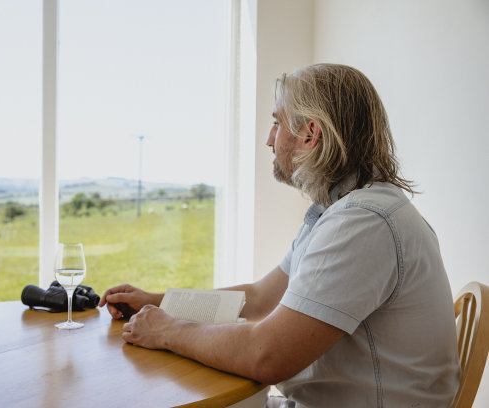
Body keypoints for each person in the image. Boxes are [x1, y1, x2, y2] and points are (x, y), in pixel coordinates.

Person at [97, 63, 460, 408]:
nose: (270, 139)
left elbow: (267, 355)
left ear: (310, 134)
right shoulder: (340, 210)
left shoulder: (363, 223)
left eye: (277, 123)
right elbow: (259, 297)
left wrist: (168, 332)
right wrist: (160, 302)